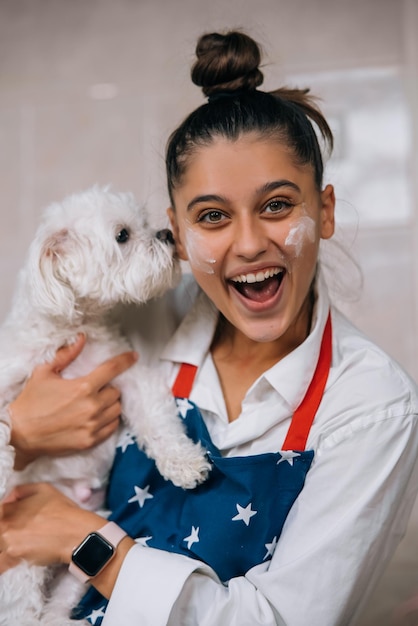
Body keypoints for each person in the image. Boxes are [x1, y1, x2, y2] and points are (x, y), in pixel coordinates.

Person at [1, 30, 418, 626]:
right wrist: (20, 434)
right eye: (213, 216)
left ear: (323, 211)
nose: (248, 244)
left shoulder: (373, 406)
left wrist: (80, 536)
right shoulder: (132, 320)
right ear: (176, 230)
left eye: (276, 205)